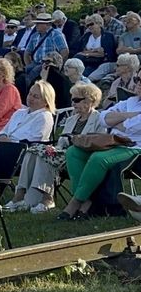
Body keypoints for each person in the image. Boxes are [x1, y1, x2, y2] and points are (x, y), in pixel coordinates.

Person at [6, 83, 106, 214]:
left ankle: (46, 199)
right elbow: (61, 142)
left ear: (90, 101)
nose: (73, 103)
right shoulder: (71, 120)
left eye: (77, 100)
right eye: (72, 99)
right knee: (34, 151)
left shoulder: (99, 119)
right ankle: (22, 194)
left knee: (44, 155)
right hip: (64, 153)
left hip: (83, 155)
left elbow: (99, 142)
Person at [59, 70, 141, 220]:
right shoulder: (130, 102)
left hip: (135, 147)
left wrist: (120, 121)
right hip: (114, 142)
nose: (138, 83)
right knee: (73, 152)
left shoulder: (128, 104)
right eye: (137, 79)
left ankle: (75, 202)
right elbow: (103, 118)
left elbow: (134, 126)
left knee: (98, 158)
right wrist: (129, 116)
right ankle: (88, 201)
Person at [0, 80, 54, 144]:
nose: (31, 98)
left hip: (19, 151)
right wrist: (2, 136)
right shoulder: (19, 112)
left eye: (35, 97)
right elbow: (4, 131)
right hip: (1, 143)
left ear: (46, 101)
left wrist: (9, 142)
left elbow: (34, 142)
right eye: (30, 94)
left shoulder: (44, 117)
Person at [73, 13, 118, 81]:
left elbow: (106, 54)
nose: (89, 27)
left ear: (99, 23)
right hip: (86, 62)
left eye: (91, 24)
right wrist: (95, 51)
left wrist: (87, 53)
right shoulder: (86, 36)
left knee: (84, 75)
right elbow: (80, 51)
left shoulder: (108, 36)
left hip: (101, 63)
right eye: (87, 25)